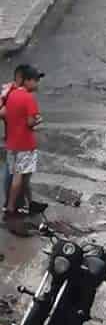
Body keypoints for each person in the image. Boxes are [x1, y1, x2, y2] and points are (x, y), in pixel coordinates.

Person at [4, 66, 45, 217]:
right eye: (35, 80)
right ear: (27, 81)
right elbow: (30, 122)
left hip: (12, 144)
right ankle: (10, 207)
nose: (37, 83)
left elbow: (7, 114)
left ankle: (31, 203)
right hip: (25, 145)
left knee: (25, 177)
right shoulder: (28, 98)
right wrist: (38, 120)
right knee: (19, 177)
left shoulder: (12, 95)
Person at [1, 64, 27, 211]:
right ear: (20, 78)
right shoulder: (10, 91)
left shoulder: (14, 91)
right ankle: (10, 204)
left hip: (16, 137)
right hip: (15, 138)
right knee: (12, 171)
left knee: (16, 171)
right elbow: (3, 112)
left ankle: (17, 202)